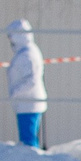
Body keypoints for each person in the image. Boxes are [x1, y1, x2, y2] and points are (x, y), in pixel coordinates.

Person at [6, 18, 48, 148]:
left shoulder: (27, 54)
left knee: (28, 142)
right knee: (28, 138)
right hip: (26, 103)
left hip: (28, 104)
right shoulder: (27, 51)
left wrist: (15, 92)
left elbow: (31, 80)